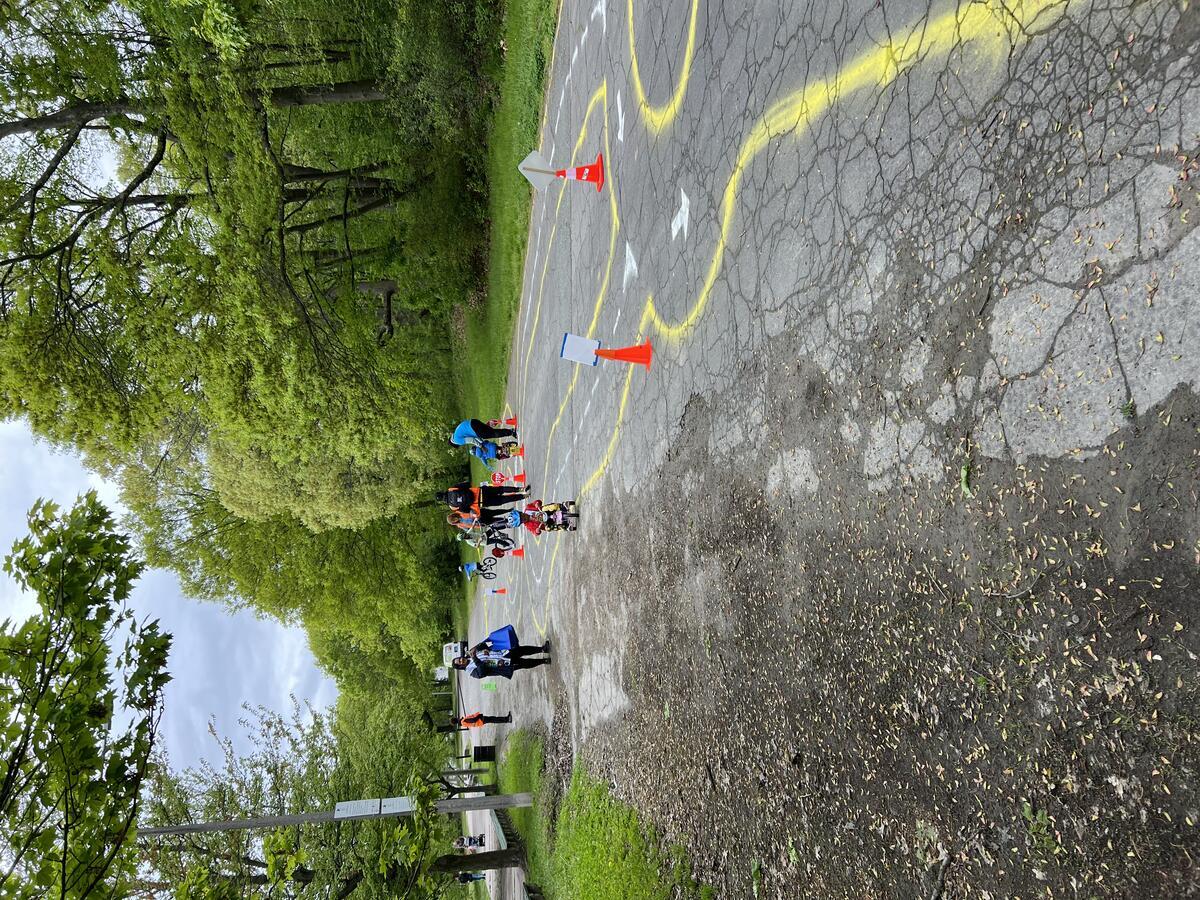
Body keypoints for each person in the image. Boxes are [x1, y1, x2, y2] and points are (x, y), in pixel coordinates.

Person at [451, 625, 550, 679]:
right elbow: (482, 672)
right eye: (459, 662)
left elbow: (485, 645)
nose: (461, 660)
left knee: (522, 650)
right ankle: (543, 661)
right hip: (503, 664)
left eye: (459, 659)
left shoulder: (470, 654)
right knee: (524, 663)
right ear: (461, 666)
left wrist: (481, 648)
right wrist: (475, 659)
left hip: (502, 653)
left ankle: (542, 649)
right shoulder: (471, 671)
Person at [436, 481, 529, 526]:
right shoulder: (451, 489)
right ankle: (520, 489)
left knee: (503, 500)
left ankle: (523, 496)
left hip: (481, 502)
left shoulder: (452, 507)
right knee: (501, 489)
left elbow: (467, 510)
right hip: (480, 491)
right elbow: (467, 484)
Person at [449, 418, 516, 448]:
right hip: (473, 422)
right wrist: (481, 441)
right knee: (487, 431)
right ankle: (509, 426)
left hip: (474, 429)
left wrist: (481, 446)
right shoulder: (456, 433)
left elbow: (471, 440)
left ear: (455, 444)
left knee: (493, 433)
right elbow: (473, 436)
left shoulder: (457, 441)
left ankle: (511, 432)